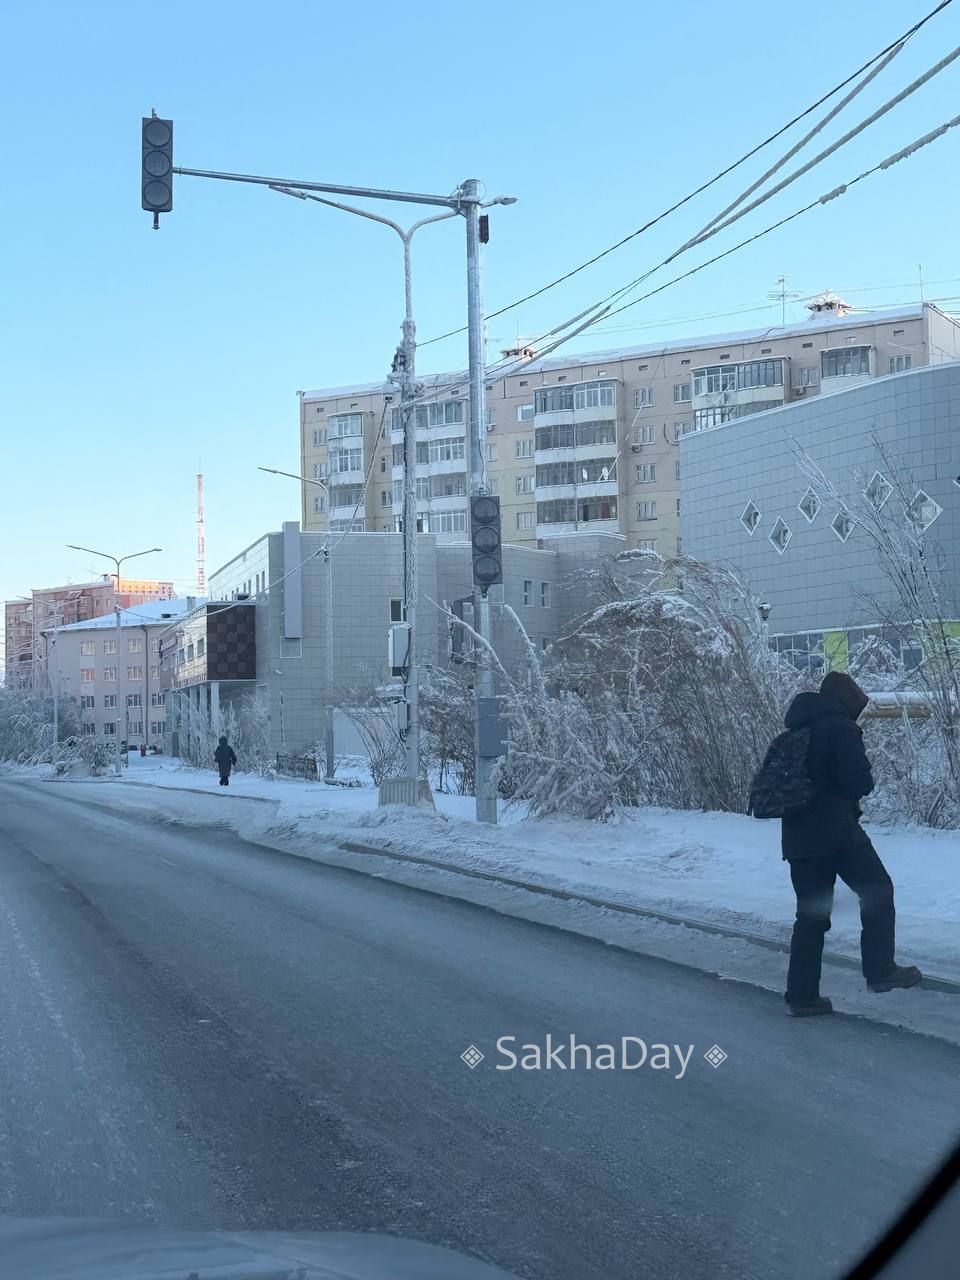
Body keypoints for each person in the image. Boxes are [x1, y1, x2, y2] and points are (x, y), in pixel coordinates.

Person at [781, 671, 921, 1017]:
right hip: (837, 833)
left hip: (798, 837)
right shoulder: (840, 727)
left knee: (811, 916)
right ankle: (880, 970)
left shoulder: (798, 727)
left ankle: (801, 998)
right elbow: (859, 782)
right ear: (847, 700)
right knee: (877, 888)